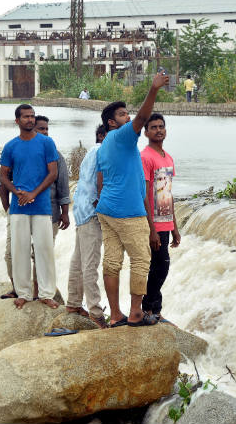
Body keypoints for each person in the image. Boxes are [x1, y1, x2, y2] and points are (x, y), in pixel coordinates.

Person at [96, 71, 169, 327]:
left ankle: (115, 314)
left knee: (113, 261)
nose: (127, 117)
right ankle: (136, 312)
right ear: (112, 123)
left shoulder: (105, 145)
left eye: (126, 113)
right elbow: (142, 117)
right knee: (141, 259)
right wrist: (154, 88)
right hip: (128, 211)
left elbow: (100, 180)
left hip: (107, 209)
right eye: (122, 115)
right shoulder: (123, 136)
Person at [0, 115, 70, 301]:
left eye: (47, 129)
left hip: (46, 209)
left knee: (43, 251)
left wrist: (65, 212)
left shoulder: (51, 150)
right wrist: (10, 203)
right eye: (41, 129)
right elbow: (3, 178)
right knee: (16, 252)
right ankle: (21, 291)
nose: (45, 132)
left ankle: (44, 294)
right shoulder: (12, 147)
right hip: (18, 208)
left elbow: (60, 181)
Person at [67, 125, 109, 329]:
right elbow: (97, 184)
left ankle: (73, 303)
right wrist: (100, 205)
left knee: (79, 260)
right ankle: (95, 311)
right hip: (92, 213)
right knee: (90, 262)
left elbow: (85, 181)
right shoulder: (102, 151)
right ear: (102, 135)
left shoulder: (91, 152)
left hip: (81, 210)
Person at [141, 113, 181, 322]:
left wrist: (174, 226)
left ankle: (155, 310)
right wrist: (151, 229)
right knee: (159, 266)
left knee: (161, 266)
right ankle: (148, 309)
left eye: (161, 126)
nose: (158, 130)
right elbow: (144, 194)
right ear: (146, 132)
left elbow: (168, 193)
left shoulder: (168, 158)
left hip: (165, 222)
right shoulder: (145, 157)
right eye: (154, 127)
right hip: (152, 223)